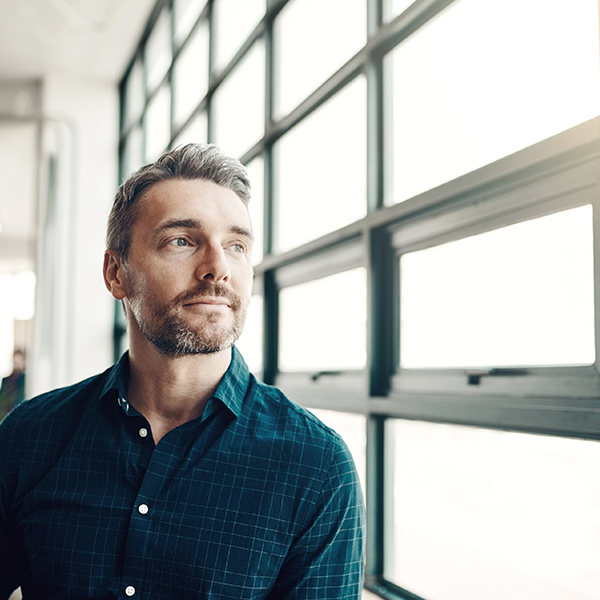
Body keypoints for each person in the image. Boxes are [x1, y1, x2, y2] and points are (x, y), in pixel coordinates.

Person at [0, 144, 365, 599]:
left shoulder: (316, 467)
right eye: (182, 241)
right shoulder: (29, 436)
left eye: (236, 246)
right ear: (116, 273)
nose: (218, 269)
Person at [0, 350, 26, 420]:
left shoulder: (25, 379)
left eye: (19, 361)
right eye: (15, 362)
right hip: (4, 413)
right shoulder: (6, 380)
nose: (17, 364)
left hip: (19, 413)